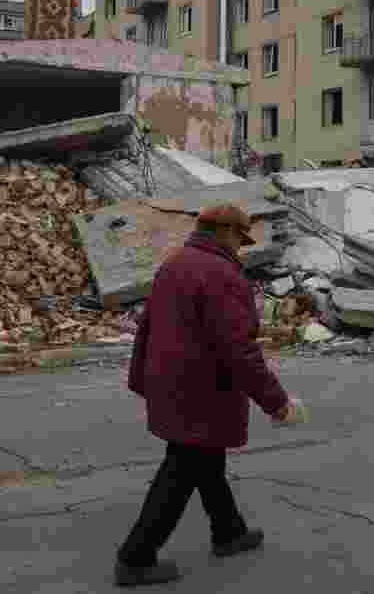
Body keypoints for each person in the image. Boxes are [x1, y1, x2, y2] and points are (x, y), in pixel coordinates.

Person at [114, 202, 294, 588]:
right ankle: (136, 557)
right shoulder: (221, 274)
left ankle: (229, 531)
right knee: (182, 469)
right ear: (227, 232)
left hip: (172, 382)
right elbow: (239, 349)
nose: (240, 247)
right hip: (202, 388)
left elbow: (146, 329)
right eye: (239, 238)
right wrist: (276, 402)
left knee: (204, 459)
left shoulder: (175, 263)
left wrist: (142, 378)